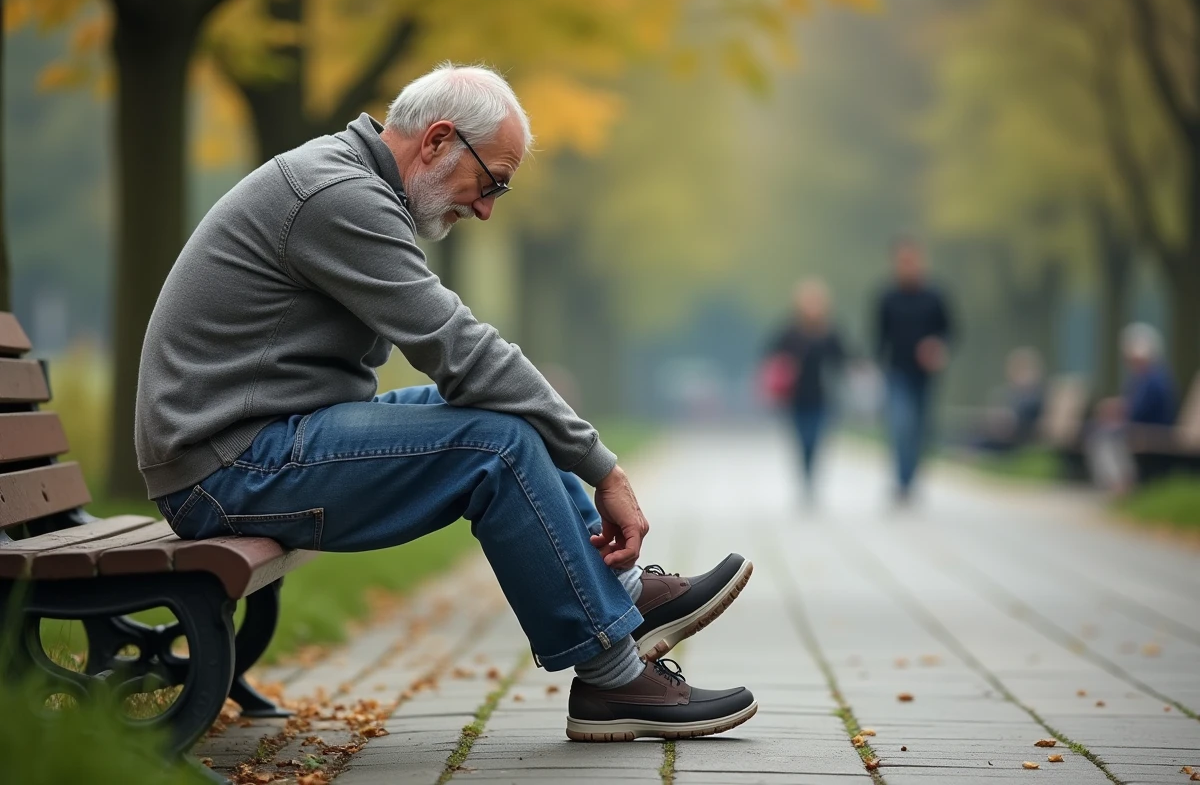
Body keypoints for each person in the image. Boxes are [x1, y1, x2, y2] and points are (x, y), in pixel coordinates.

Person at [135, 63, 756, 741]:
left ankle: (623, 599)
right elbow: (457, 346)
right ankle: (612, 679)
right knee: (497, 443)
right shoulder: (337, 196)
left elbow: (466, 366)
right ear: (435, 141)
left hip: (258, 441)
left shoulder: (349, 181)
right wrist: (603, 468)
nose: (486, 209)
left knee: (499, 417)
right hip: (226, 468)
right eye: (490, 182)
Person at [874, 238, 954, 503]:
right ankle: (902, 481)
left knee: (919, 428)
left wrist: (938, 347)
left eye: (912, 260)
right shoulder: (887, 297)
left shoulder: (935, 296)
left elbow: (949, 331)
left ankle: (912, 478)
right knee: (900, 425)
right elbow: (879, 337)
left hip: (925, 375)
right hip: (896, 372)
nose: (908, 266)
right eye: (902, 260)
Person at [764, 279, 846, 501]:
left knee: (816, 440)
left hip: (822, 396)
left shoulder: (829, 333)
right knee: (801, 441)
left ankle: (811, 479)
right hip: (795, 397)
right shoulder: (789, 332)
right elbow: (771, 355)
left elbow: (842, 358)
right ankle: (805, 479)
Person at [1086, 323, 1177, 492]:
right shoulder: (1141, 377)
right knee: (1098, 431)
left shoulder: (1154, 378)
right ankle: (1118, 484)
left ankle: (1122, 485)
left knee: (1105, 436)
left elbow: (1140, 410)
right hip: (1140, 427)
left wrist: (1117, 410)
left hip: (1153, 429)